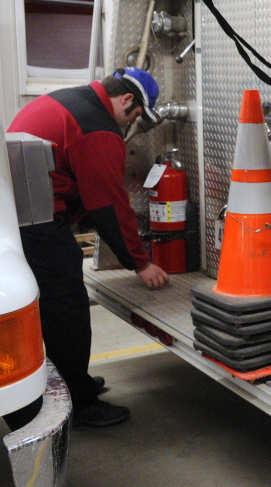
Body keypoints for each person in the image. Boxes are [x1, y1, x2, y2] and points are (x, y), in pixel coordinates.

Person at [7, 67, 170, 428]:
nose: (131, 124)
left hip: (17, 217)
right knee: (68, 312)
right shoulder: (96, 126)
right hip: (39, 225)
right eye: (135, 115)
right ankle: (79, 403)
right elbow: (109, 204)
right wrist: (140, 263)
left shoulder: (67, 99)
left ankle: (67, 381)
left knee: (49, 311)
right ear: (126, 99)